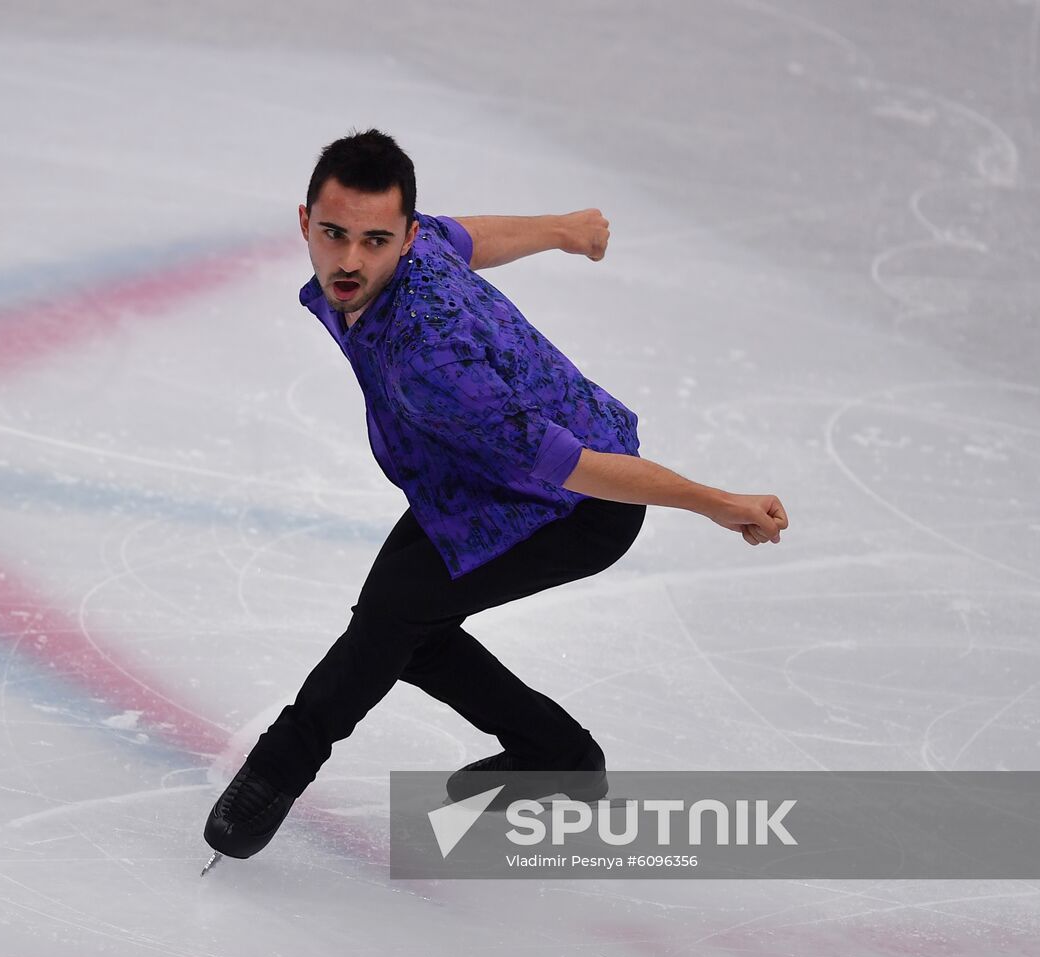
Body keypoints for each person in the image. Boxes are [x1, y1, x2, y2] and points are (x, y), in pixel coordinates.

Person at [202, 129, 788, 864]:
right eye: (334, 233)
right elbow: (468, 237)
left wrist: (715, 501)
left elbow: (574, 465)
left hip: (574, 508)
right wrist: (562, 230)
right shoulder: (413, 250)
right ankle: (558, 755)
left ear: (402, 237)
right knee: (405, 629)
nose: (349, 260)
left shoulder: (431, 355)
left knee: (389, 623)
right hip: (480, 481)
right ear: (305, 222)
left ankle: (278, 769)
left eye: (374, 241)